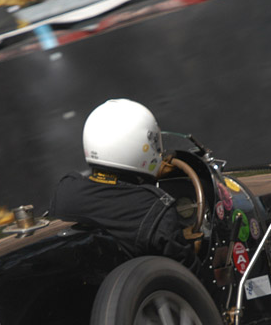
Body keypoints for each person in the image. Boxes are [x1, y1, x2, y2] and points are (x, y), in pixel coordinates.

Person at [50, 99, 194, 263]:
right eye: (153, 142)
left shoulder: (66, 190)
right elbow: (189, 276)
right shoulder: (155, 209)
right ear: (138, 146)